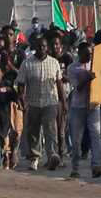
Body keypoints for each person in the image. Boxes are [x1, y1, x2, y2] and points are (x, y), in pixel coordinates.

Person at [17, 34, 66, 172]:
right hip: (32, 103)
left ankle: (52, 156)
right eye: (39, 46)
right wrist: (21, 99)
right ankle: (34, 158)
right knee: (34, 132)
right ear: (35, 48)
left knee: (51, 131)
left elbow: (59, 83)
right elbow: (21, 83)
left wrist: (64, 102)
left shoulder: (54, 63)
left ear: (47, 48)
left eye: (44, 46)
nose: (41, 49)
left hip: (50, 102)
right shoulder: (27, 63)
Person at [65, 42, 101, 179]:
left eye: (91, 53)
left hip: (94, 105)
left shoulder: (95, 65)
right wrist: (87, 78)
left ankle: (96, 166)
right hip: (78, 106)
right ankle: (75, 168)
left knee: (96, 136)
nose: (90, 56)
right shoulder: (72, 68)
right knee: (76, 139)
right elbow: (77, 88)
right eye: (87, 54)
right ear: (80, 53)